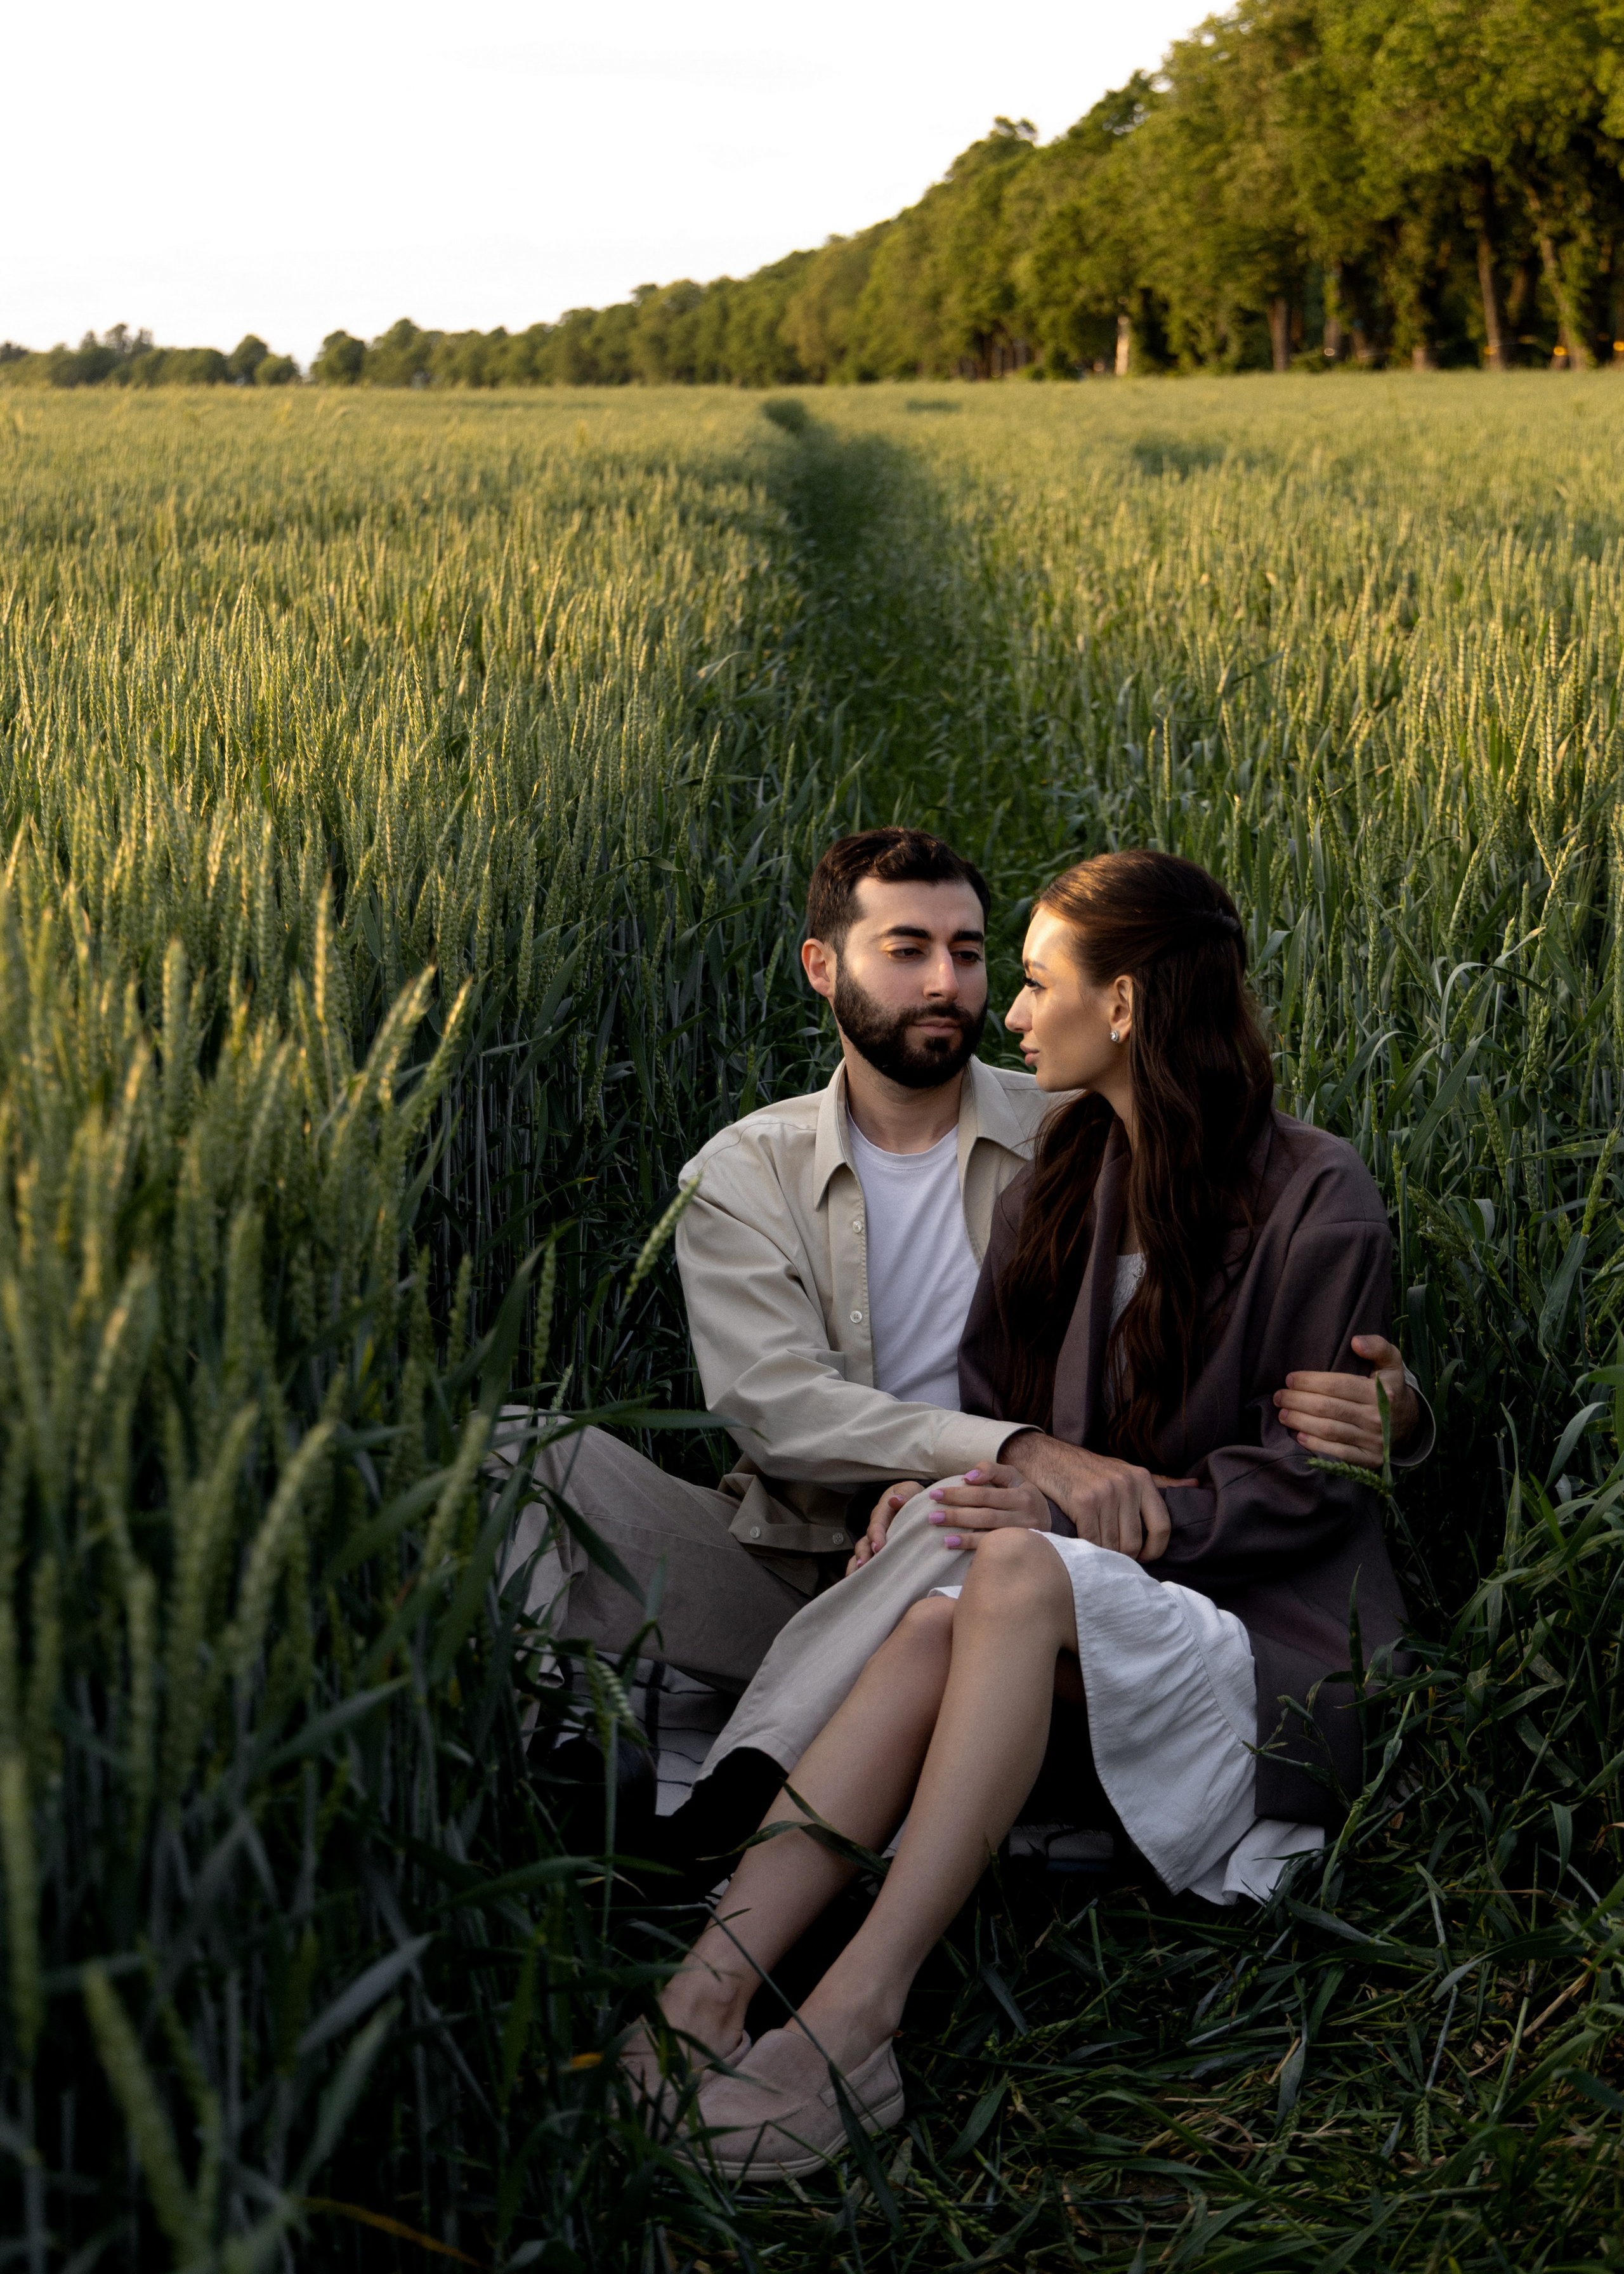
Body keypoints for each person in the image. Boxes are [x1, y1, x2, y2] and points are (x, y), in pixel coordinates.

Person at [639, 849, 1421, 2181]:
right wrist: (988, 1484)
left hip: (1255, 1641)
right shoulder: (1059, 1174)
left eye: (1031, 978)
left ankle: (855, 2020)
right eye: (941, 959)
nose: (1000, 1008)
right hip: (1071, 1618)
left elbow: (1310, 1472)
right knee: (961, 1594)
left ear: (1120, 1008)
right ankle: (694, 2003)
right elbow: (998, 1394)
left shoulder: (1312, 1190)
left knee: (998, 1577)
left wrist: (1149, 1512)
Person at [502, 831, 1422, 1759]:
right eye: (907, 951)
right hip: (800, 1560)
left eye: (972, 954)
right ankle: (521, 1771)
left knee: (955, 1531)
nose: (949, 984)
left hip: (1003, 1539)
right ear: (822, 967)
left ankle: (744, 1791)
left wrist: (1400, 1413)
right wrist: (1013, 1452)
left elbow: (1263, 1222)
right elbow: (774, 1407)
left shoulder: (1080, 1127)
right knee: (509, 1456)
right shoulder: (746, 1173)